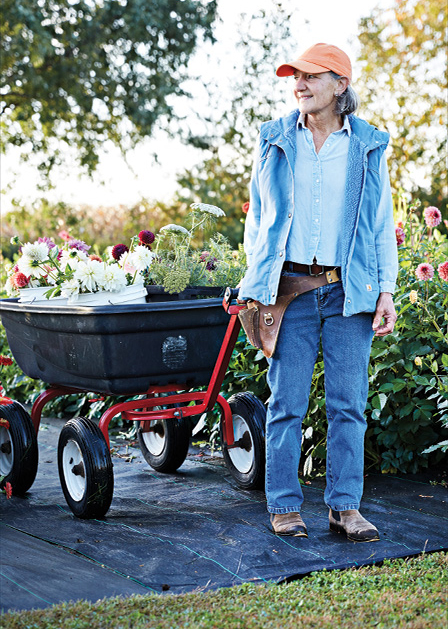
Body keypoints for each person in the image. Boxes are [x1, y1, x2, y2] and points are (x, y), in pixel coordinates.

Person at [237, 43, 398, 542]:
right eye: (295, 77)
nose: (299, 84)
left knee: (349, 404)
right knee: (286, 403)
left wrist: (387, 292)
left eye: (311, 76)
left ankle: (344, 507)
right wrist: (256, 284)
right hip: (290, 292)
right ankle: (284, 505)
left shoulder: (366, 146)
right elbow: (258, 220)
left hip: (348, 291)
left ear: (340, 85)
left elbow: (379, 225)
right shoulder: (275, 140)